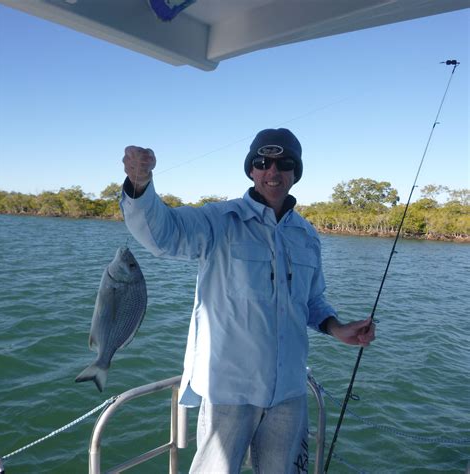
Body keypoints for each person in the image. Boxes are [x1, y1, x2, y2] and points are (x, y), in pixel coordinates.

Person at [121, 128, 375, 474]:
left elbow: (312, 300)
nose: (273, 171)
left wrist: (336, 328)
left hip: (288, 391)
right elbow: (162, 235)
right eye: (262, 162)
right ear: (251, 170)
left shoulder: (306, 235)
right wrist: (139, 185)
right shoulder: (219, 221)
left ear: (295, 173)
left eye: (284, 163)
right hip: (228, 390)